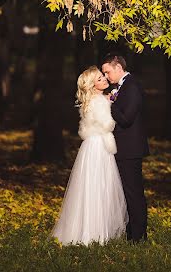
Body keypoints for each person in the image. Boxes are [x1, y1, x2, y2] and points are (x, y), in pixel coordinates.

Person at [51, 65, 128, 246]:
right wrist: (113, 107)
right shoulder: (100, 101)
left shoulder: (91, 101)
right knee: (100, 186)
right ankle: (96, 233)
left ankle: (86, 229)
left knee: (89, 186)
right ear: (92, 85)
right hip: (99, 146)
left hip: (90, 146)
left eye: (103, 77)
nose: (104, 80)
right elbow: (108, 125)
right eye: (100, 78)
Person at [101, 53, 149, 243]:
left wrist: (109, 104)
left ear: (119, 68)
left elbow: (127, 118)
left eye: (108, 72)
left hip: (130, 149)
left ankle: (138, 236)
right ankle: (131, 232)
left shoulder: (132, 86)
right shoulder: (122, 86)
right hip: (123, 149)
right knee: (127, 191)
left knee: (133, 192)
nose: (106, 77)